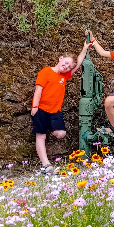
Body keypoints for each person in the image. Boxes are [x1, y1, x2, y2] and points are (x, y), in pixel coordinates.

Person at [31, 38, 90, 173]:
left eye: (70, 67)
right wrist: (34, 107)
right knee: (40, 136)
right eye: (66, 63)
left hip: (54, 111)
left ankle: (50, 127)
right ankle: (46, 165)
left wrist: (85, 48)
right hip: (40, 109)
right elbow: (38, 90)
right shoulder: (46, 71)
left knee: (61, 133)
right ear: (61, 58)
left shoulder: (65, 76)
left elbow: (78, 63)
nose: (67, 67)